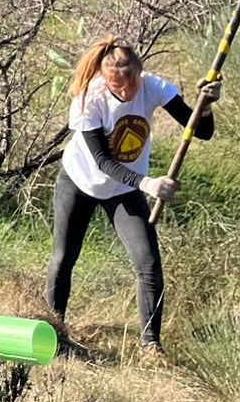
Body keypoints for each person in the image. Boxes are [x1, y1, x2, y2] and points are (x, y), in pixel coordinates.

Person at [45, 36, 217, 361]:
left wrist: (205, 106)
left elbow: (201, 131)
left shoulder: (152, 85)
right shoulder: (88, 98)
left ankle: (151, 346)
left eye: (131, 84)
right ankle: (53, 335)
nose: (126, 93)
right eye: (117, 87)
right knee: (64, 258)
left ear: (139, 72)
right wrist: (147, 183)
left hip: (124, 190)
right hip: (79, 181)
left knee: (148, 263)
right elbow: (103, 162)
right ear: (105, 78)